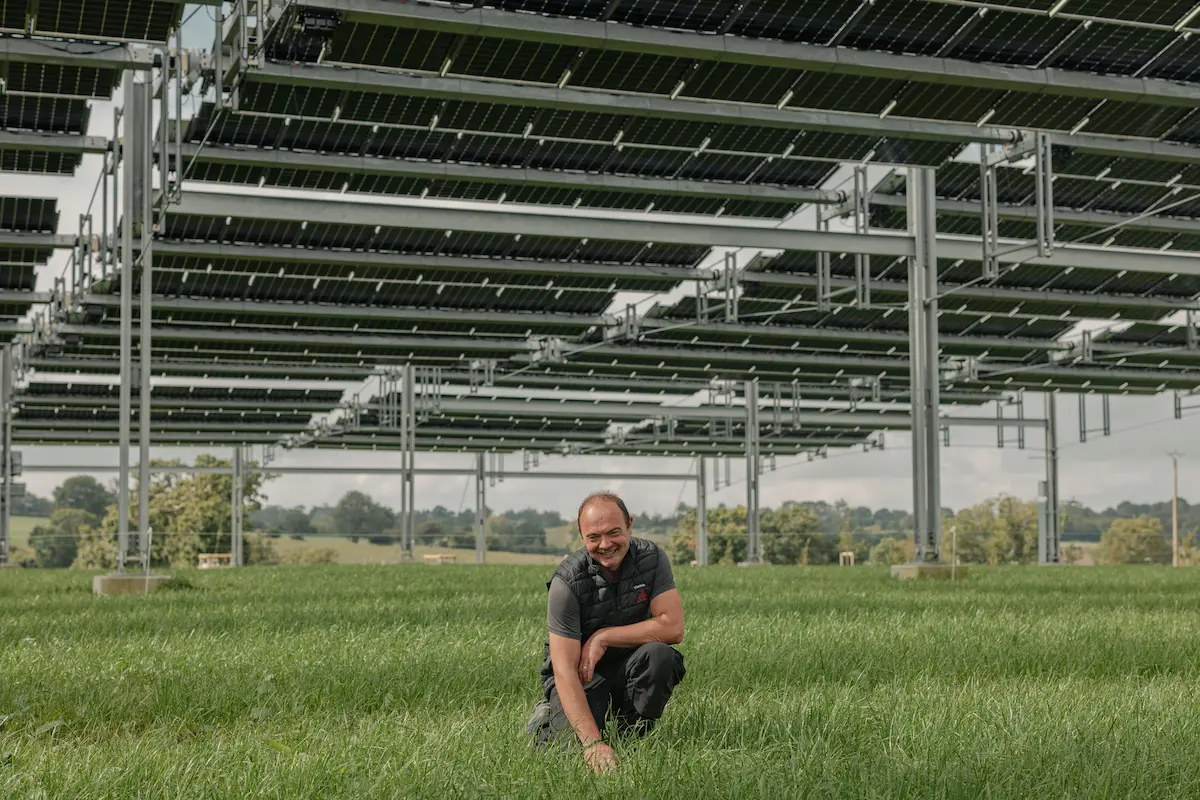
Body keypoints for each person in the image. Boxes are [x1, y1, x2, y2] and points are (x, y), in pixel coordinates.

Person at [527, 491, 686, 774]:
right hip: (580, 675)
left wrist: (604, 636)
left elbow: (673, 627)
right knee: (567, 755)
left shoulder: (652, 559)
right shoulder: (567, 583)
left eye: (614, 532)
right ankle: (545, 719)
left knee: (661, 656)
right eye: (593, 537)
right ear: (581, 536)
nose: (605, 544)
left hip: (629, 664)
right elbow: (563, 671)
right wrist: (592, 745)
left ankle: (631, 736)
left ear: (630, 525)